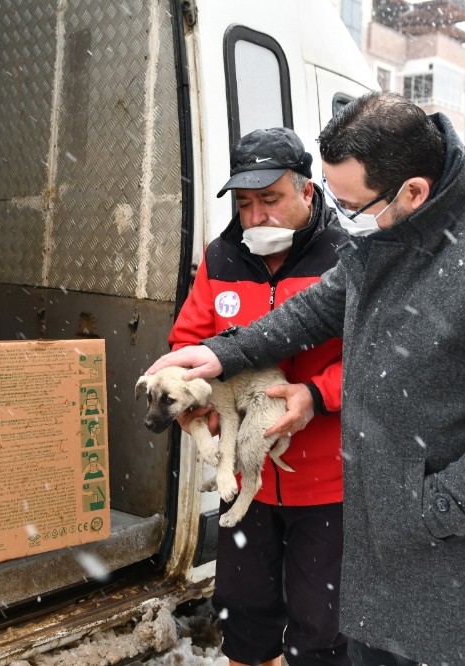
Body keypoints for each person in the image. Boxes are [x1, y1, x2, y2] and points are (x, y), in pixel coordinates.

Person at [148, 92, 465, 666]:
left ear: (413, 191)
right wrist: (218, 354)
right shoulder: (392, 231)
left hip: (458, 561)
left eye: (353, 205)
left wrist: (431, 509)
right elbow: (315, 310)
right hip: (380, 539)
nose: (344, 217)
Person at [169, 126, 350, 666]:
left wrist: (316, 394)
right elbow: (188, 343)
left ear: (307, 192)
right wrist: (197, 397)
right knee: (245, 618)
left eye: (270, 199)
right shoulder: (222, 257)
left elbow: (377, 360)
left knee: (323, 630)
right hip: (248, 482)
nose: (255, 217)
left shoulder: (349, 259)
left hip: (329, 484)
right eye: (244, 204)